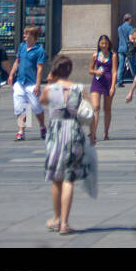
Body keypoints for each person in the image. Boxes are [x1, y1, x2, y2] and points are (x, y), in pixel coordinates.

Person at [40, 54, 91, 234]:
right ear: (70, 70)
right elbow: (88, 109)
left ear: (54, 70)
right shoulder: (79, 88)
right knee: (69, 178)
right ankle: (65, 224)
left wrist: (49, 81)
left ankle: (56, 218)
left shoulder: (49, 89)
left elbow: (42, 102)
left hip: (56, 133)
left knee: (56, 178)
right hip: (74, 132)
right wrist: (92, 135)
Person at [8, 25, 47, 142]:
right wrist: (11, 74)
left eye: (26, 33)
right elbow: (17, 61)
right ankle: (21, 131)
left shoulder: (39, 50)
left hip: (31, 83)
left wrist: (38, 84)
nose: (24, 35)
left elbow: (40, 68)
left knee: (35, 107)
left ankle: (42, 126)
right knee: (21, 107)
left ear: (33, 36)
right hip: (20, 81)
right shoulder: (22, 46)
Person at [88, 34, 118, 144]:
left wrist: (113, 86)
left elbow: (114, 72)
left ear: (109, 44)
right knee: (95, 107)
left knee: (107, 109)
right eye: (102, 43)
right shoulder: (95, 55)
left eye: (105, 43)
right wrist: (96, 72)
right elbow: (90, 70)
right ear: (99, 44)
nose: (104, 45)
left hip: (108, 82)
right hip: (97, 82)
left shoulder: (113, 55)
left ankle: (106, 132)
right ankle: (93, 132)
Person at [116, 13, 134, 87]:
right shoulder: (130, 28)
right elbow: (131, 38)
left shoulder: (119, 28)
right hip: (128, 48)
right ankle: (135, 78)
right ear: (129, 19)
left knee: (120, 65)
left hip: (120, 48)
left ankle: (119, 81)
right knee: (132, 64)